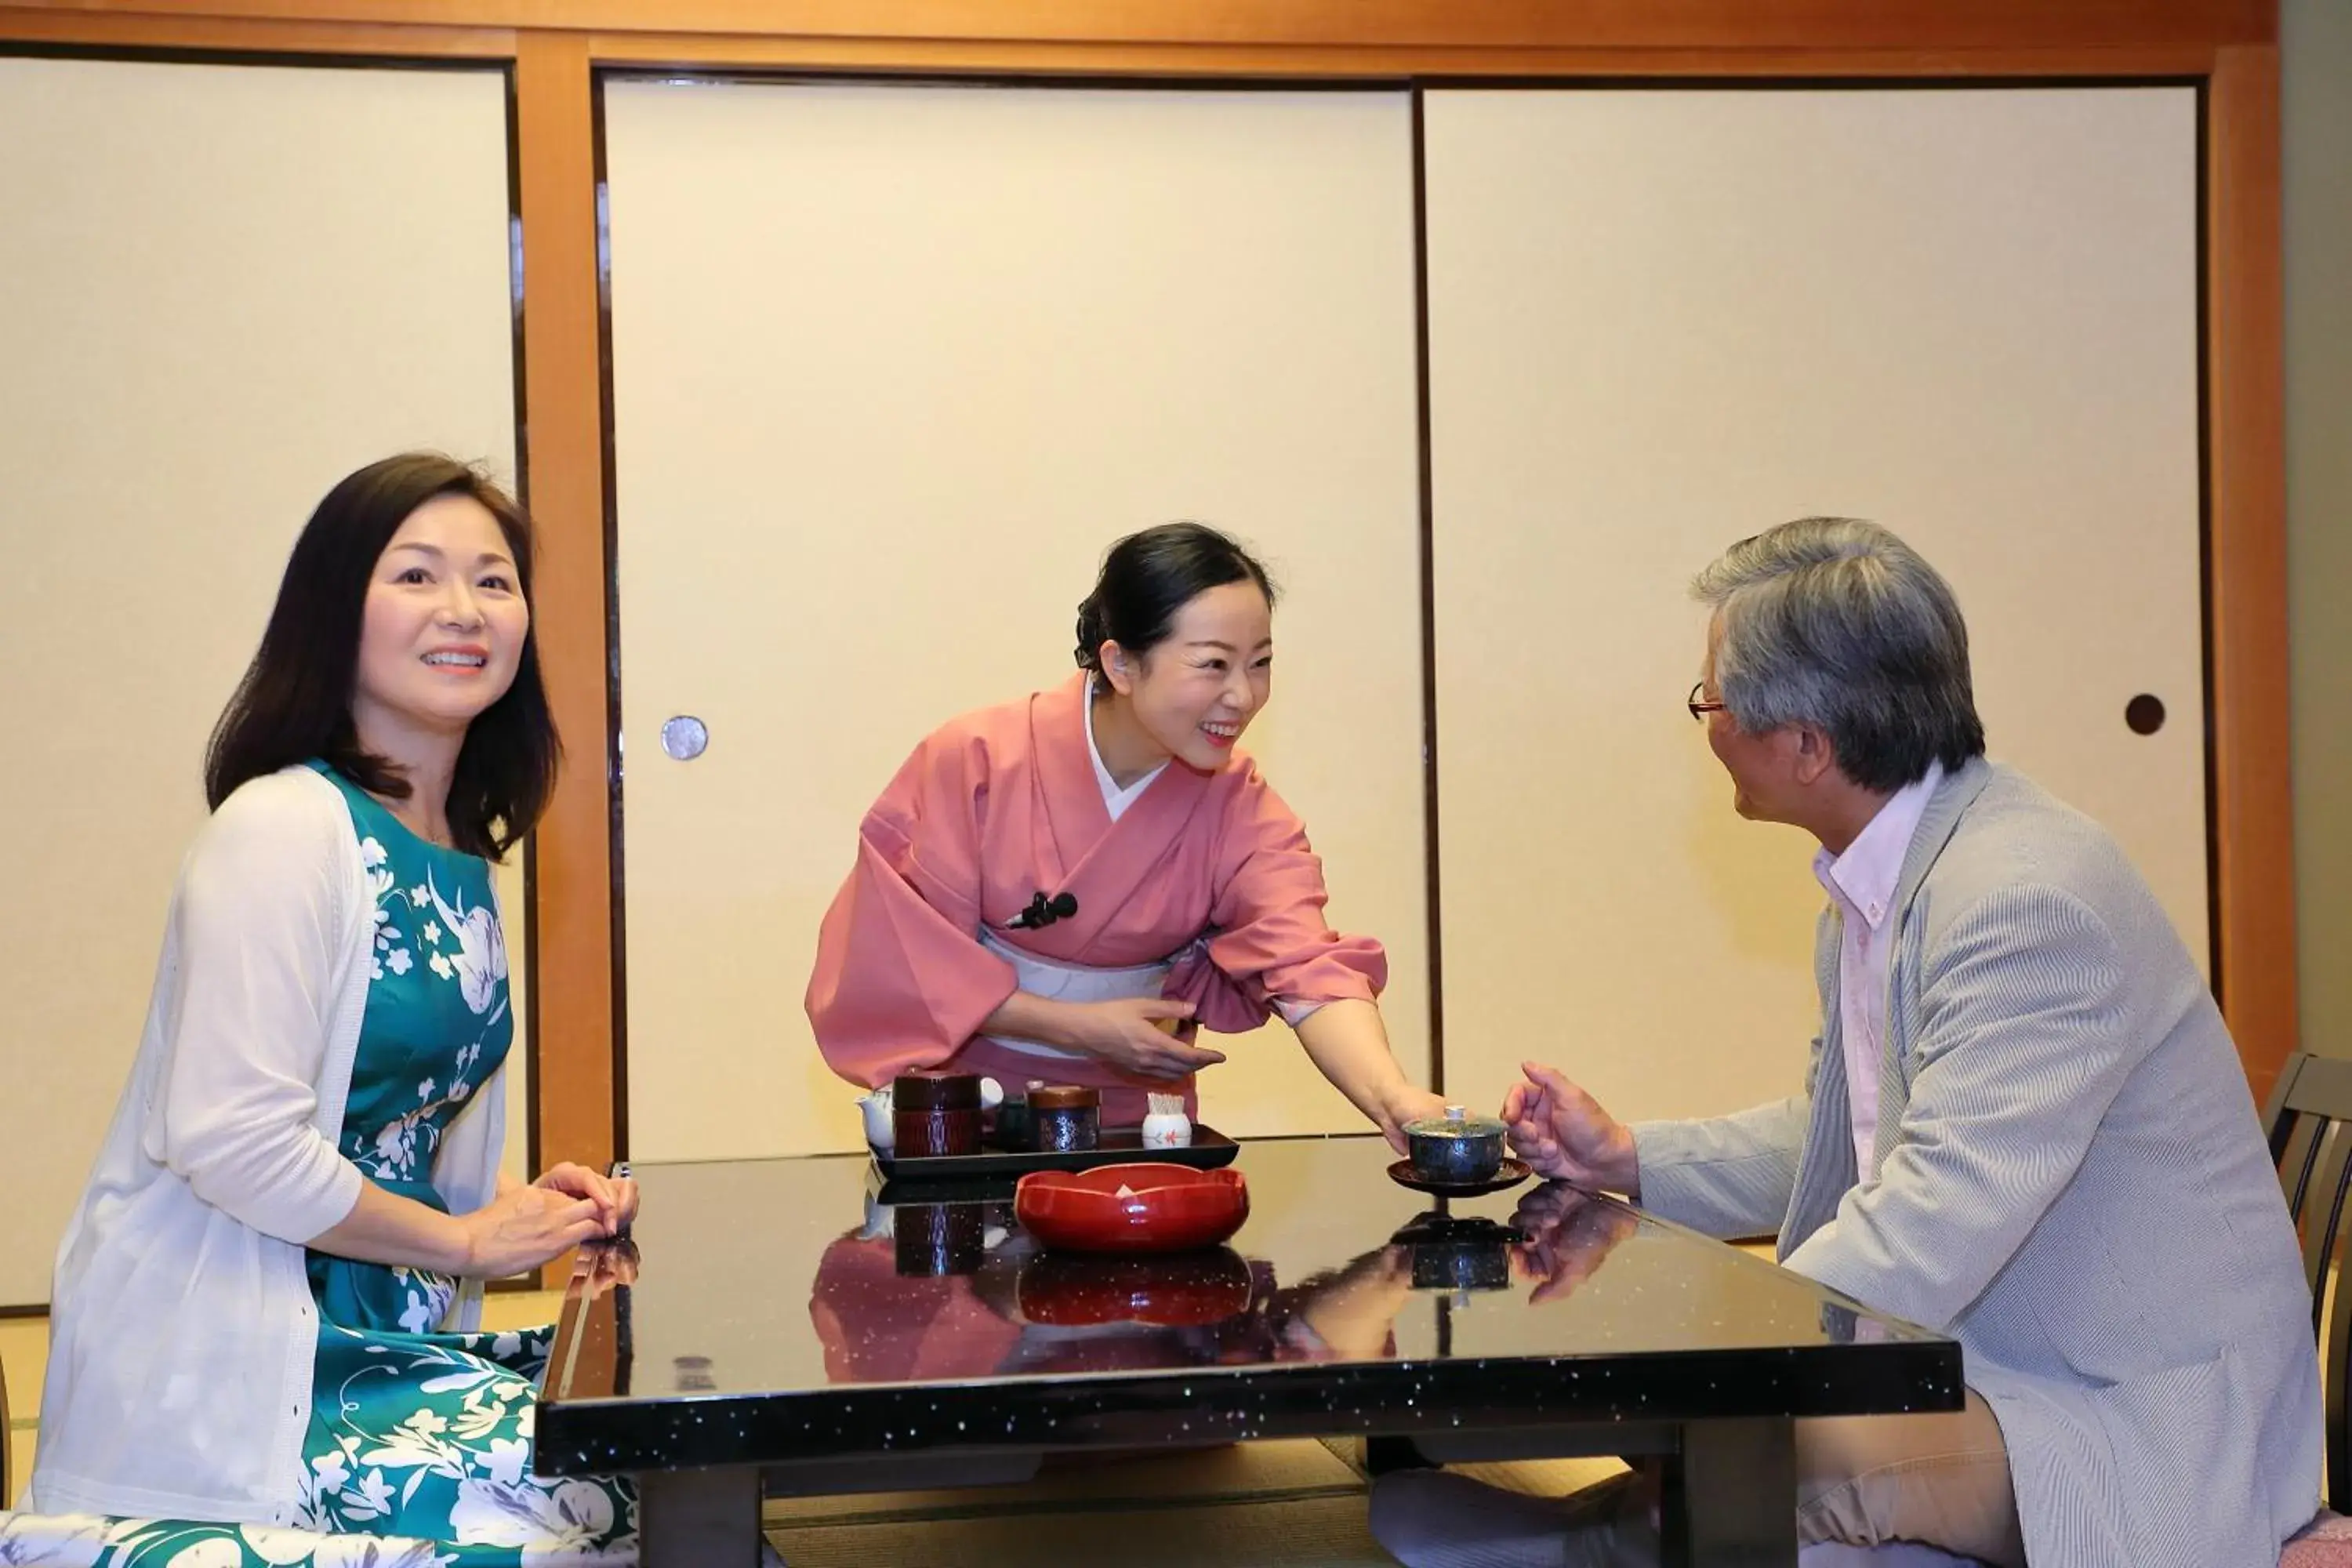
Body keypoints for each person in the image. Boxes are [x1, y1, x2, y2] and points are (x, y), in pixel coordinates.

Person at [1374, 517, 2321, 1568]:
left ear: (1807, 746)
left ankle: (1551, 1549)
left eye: (1712, 703)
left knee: (1754, 1471)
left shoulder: (2025, 897)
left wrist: (1709, 1356)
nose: (1705, 726)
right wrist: (1631, 1159)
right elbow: (1863, 1139)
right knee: (1714, 1475)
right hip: (1990, 1366)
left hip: (2119, 1417)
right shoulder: (1891, 877)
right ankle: (1553, 1539)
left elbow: (1940, 1206)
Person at [28, 455, 640, 1564]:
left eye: (494, 584)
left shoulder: (461, 856)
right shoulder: (282, 829)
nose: (463, 610)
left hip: (369, 1343)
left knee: (655, 1454)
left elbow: (381, 1141)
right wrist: (465, 1238)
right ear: (333, 613)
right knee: (594, 1513)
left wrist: (521, 1210)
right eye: (416, 576)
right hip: (247, 1372)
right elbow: (235, 1141)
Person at [807, 521, 1443, 1141]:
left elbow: (1308, 970)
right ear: (1121, 663)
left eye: (1260, 663)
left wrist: (1393, 1095)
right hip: (961, 1112)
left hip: (1132, 1122)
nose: (1243, 696)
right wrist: (1076, 1027)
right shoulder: (975, 760)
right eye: (1213, 664)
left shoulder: (1241, 810)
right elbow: (900, 961)